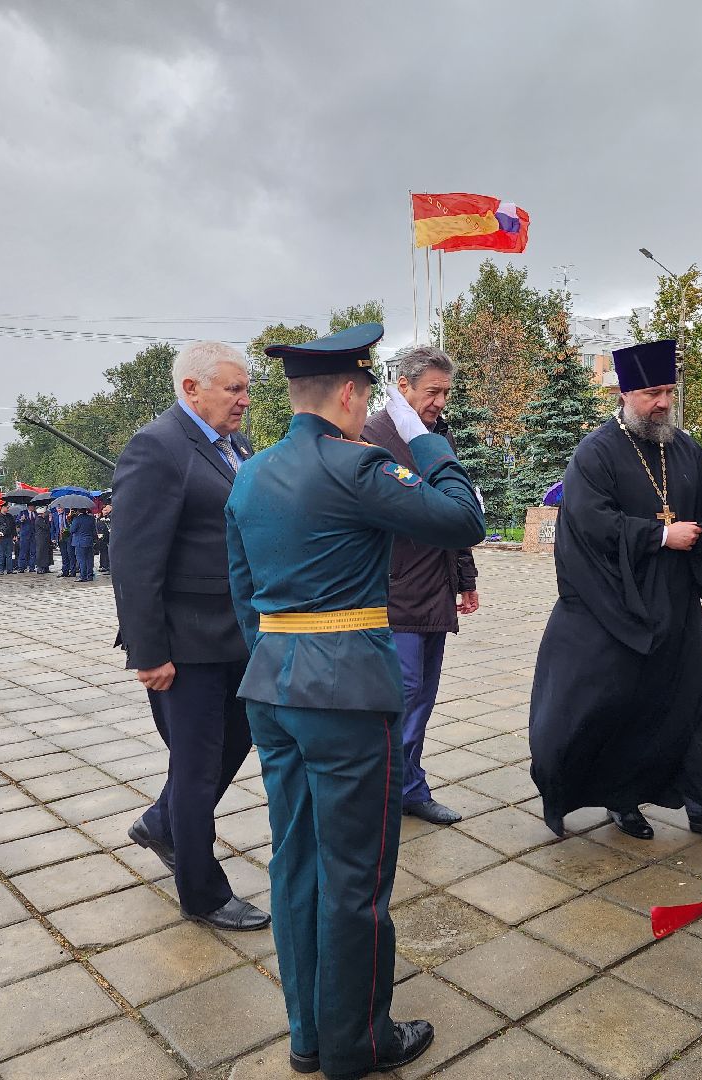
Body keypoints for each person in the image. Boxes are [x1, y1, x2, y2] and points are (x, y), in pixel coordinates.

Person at [226, 323, 485, 1080]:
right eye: (372, 396)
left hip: (272, 686)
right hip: (343, 693)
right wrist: (424, 438)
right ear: (350, 394)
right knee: (356, 877)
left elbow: (245, 595)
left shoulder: (251, 473)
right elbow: (462, 517)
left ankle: (308, 1033)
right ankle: (358, 1043)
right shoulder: (358, 465)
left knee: (294, 862)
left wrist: (278, 662)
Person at [528, 340, 702, 842]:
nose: (662, 402)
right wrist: (662, 534)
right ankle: (621, 799)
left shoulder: (681, 447)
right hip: (613, 606)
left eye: (668, 391)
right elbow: (590, 524)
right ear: (623, 393)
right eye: (651, 393)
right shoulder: (595, 453)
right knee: (615, 708)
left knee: (691, 700)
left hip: (676, 604)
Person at [110, 340, 266, 935]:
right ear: (191, 389)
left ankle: (161, 823)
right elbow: (133, 561)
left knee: (238, 740)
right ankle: (201, 892)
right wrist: (149, 654)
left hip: (235, 635)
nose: (245, 400)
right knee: (198, 770)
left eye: (246, 387)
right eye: (234, 388)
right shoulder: (157, 448)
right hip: (185, 645)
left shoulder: (234, 447)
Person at [362, 344, 480, 826]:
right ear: (402, 385)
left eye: (446, 392)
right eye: (432, 391)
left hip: (434, 590)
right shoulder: (372, 437)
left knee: (422, 699)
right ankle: (386, 792)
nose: (440, 402)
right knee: (401, 698)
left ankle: (409, 787)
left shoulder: (435, 434)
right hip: (393, 594)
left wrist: (465, 578)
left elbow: (458, 510)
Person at [70, 508, 96, 581]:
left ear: (78, 511)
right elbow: (94, 530)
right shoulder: (91, 518)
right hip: (89, 541)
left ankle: (83, 576)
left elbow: (72, 530)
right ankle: (90, 575)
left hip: (79, 542)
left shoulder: (77, 519)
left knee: (81, 559)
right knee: (89, 559)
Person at [0, 505, 17, 575]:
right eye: (7, 507)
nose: (8, 509)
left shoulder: (10, 516)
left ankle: (9, 569)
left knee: (9, 554)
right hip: (1, 537)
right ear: (2, 508)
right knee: (1, 554)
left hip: (9, 537)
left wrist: (14, 535)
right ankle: (0, 569)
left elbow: (13, 526)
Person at [14, 504, 35, 573]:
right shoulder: (23, 512)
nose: (33, 507)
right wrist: (21, 520)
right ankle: (21, 567)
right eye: (32, 506)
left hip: (33, 535)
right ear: (29, 507)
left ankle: (32, 567)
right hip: (24, 535)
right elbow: (16, 522)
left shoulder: (36, 513)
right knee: (23, 551)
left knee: (33, 552)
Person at [56, 507, 76, 578]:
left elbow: (72, 524)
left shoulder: (69, 513)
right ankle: (65, 571)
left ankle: (73, 571)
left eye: (61, 508)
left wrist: (69, 517)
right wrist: (53, 538)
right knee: (64, 555)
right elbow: (53, 527)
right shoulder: (55, 515)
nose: (59, 509)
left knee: (70, 554)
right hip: (60, 537)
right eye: (58, 508)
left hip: (68, 536)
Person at [34, 507, 53, 573]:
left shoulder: (42, 519)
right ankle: (40, 567)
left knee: (46, 553)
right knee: (41, 553)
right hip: (41, 538)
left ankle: (45, 567)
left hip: (45, 538)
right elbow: (46, 527)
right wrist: (50, 521)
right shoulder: (39, 519)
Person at [96, 504, 112, 573]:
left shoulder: (109, 518)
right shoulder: (100, 519)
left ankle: (108, 566)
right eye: (104, 510)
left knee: (108, 552)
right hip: (101, 537)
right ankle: (103, 565)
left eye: (106, 510)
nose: (105, 512)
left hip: (108, 537)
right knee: (102, 552)